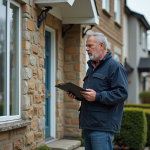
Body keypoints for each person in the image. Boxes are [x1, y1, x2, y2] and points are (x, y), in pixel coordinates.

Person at [66, 33, 128, 150]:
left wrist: (98, 96)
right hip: (88, 125)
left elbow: (122, 93)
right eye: (86, 46)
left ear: (101, 45)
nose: (87, 49)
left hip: (102, 127)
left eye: (90, 45)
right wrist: (78, 95)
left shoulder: (115, 66)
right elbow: (91, 93)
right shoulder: (91, 67)